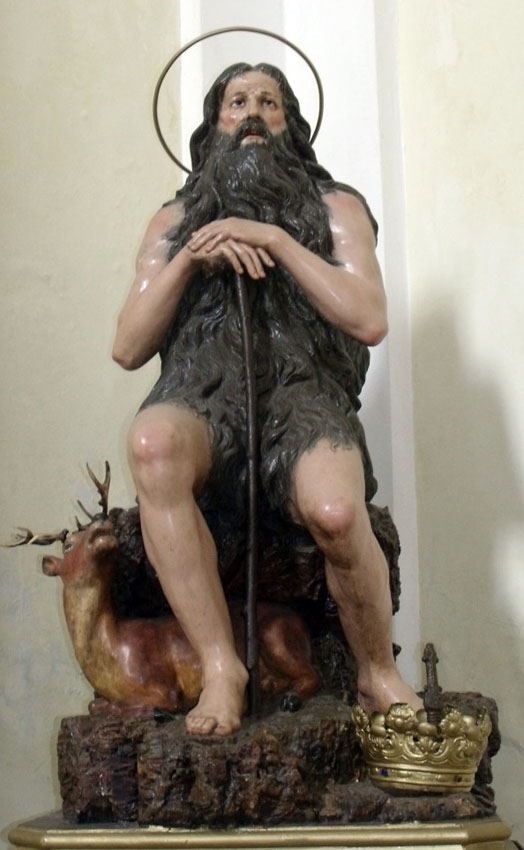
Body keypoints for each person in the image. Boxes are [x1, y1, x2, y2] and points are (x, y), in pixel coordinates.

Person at [112, 62, 422, 736]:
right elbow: (129, 346)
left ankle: (377, 671)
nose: (252, 113)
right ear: (213, 126)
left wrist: (274, 240)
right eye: (236, 102)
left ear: (291, 124)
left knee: (337, 512)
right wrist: (192, 256)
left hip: (303, 396)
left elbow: (368, 318)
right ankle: (221, 667)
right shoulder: (173, 220)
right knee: (152, 444)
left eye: (269, 102)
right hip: (202, 393)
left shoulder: (335, 208)